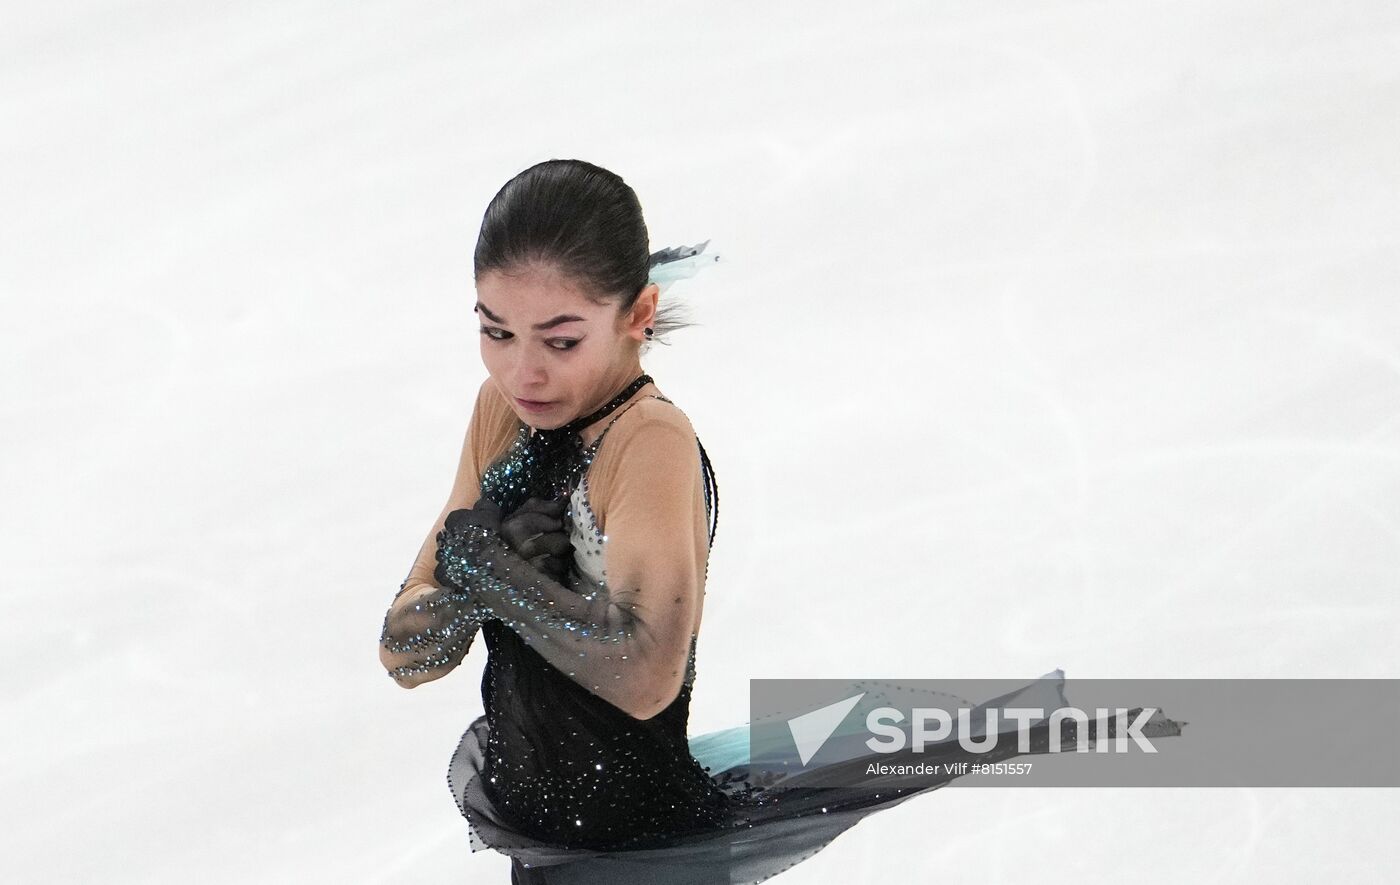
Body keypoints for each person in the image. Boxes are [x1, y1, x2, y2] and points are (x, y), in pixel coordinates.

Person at [378, 159, 1184, 884]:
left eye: (559, 339)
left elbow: (643, 673)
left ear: (638, 313)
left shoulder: (646, 443)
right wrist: (473, 579)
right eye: (495, 331)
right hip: (542, 849)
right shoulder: (503, 415)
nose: (523, 369)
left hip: (647, 861)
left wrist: (494, 575)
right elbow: (407, 649)